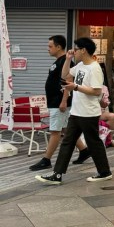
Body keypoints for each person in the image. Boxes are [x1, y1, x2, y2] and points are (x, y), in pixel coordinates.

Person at [35, 37, 112, 185]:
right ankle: (57, 174)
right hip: (76, 112)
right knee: (67, 142)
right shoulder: (80, 65)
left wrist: (75, 87)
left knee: (93, 142)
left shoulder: (94, 68)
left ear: (84, 50)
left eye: (76, 49)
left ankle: (104, 172)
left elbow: (96, 91)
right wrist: (68, 59)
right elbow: (65, 76)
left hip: (88, 113)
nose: (73, 51)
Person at [29, 36, 87, 172]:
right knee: (66, 129)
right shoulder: (58, 61)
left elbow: (68, 82)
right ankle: (84, 150)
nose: (48, 49)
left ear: (59, 47)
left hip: (59, 102)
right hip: (55, 101)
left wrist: (64, 100)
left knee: (55, 131)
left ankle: (46, 159)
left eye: (50, 46)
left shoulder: (65, 62)